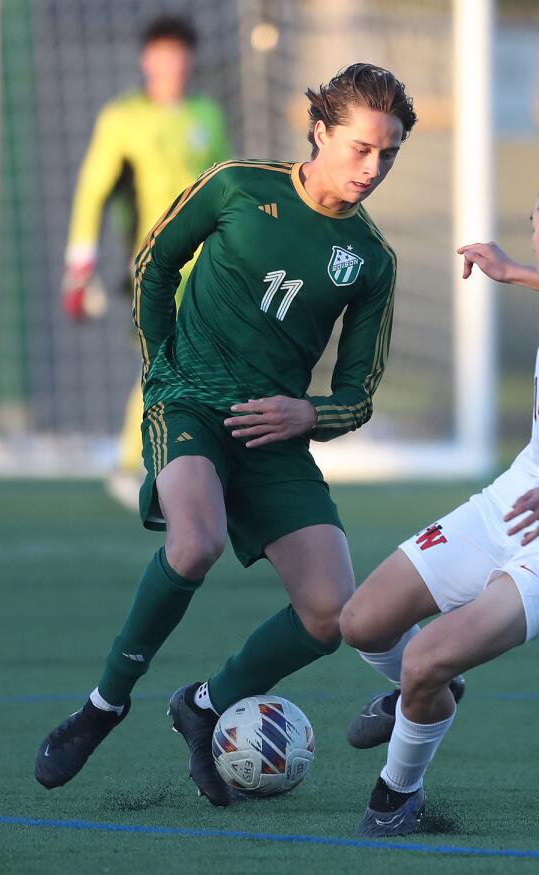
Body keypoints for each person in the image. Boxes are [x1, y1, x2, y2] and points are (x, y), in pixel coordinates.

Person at [35, 63, 417, 807]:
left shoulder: (371, 260)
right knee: (195, 541)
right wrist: (160, 371)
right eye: (361, 148)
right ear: (320, 131)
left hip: (277, 436)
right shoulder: (239, 186)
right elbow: (154, 262)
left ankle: (205, 705)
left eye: (389, 153)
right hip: (191, 404)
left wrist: (307, 414)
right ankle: (104, 704)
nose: (373, 167)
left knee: (329, 613)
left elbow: (358, 393)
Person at [339, 158, 539, 838]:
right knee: (363, 621)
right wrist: (509, 268)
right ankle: (424, 693)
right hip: (518, 497)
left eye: (535, 223)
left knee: (428, 657)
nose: (530, 229)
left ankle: (398, 796)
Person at [60, 15, 232, 510]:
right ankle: (134, 460)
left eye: (180, 55)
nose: (172, 65)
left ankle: (166, 461)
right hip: (153, 264)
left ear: (192, 60)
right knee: (165, 360)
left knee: (193, 361)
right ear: (146, 60)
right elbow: (93, 190)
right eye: (163, 55)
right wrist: (80, 263)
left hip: (212, 264)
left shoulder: (207, 115)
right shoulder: (123, 118)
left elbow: (230, 185)